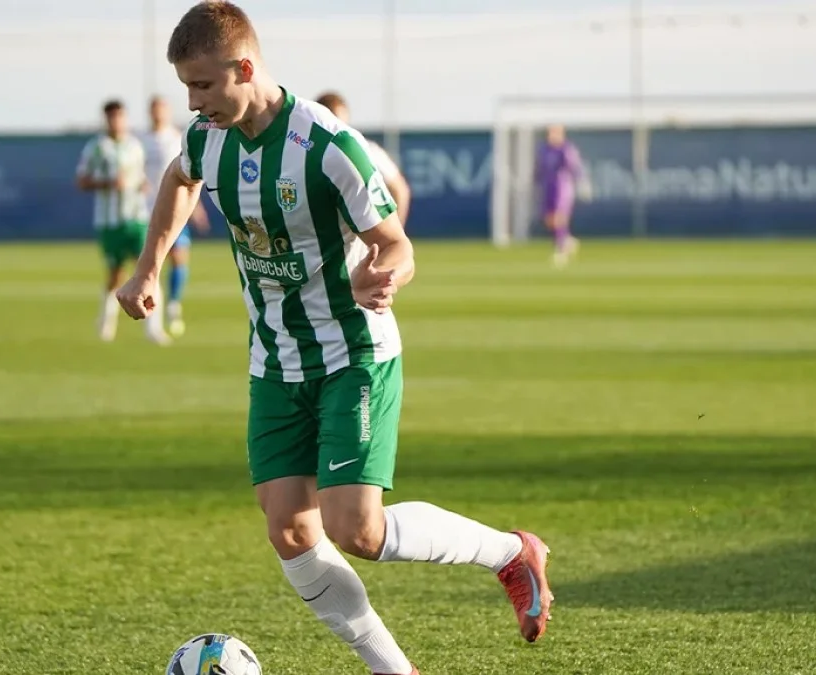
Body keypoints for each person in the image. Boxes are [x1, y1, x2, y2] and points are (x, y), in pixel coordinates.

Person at [115, 3, 553, 674]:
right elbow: (180, 178)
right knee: (291, 529)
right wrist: (149, 265)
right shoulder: (208, 137)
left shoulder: (326, 145)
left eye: (203, 85)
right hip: (274, 360)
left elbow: (396, 244)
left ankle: (510, 553)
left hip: (353, 354)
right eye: (186, 88)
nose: (194, 103)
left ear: (245, 68)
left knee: (357, 529)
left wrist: (386, 273)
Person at [76, 99, 171, 345]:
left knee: (149, 270)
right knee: (115, 274)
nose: (116, 121)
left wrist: (142, 184)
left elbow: (139, 176)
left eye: (120, 116)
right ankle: (106, 324)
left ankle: (154, 328)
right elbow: (82, 181)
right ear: (106, 119)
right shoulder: (97, 147)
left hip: (137, 218)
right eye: (112, 117)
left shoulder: (134, 145)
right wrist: (108, 183)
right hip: (110, 222)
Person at [139, 95, 211, 337]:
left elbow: (189, 176)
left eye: (161, 108)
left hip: (175, 208)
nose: (158, 113)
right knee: (153, 262)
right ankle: (152, 317)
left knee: (179, 258)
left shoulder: (176, 138)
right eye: (154, 109)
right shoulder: (141, 140)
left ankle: (174, 302)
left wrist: (196, 209)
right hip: (146, 211)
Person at [315, 91, 412, 227]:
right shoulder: (302, 153)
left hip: (361, 236)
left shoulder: (366, 149)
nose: (337, 126)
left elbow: (400, 189)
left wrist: (395, 231)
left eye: (340, 120)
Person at [535, 124, 589, 268]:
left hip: (562, 186)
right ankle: (567, 240)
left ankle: (561, 250)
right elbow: (540, 168)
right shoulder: (544, 149)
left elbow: (574, 167)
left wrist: (581, 182)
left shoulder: (566, 149)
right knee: (549, 219)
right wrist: (537, 180)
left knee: (559, 217)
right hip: (548, 186)